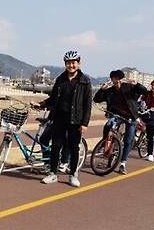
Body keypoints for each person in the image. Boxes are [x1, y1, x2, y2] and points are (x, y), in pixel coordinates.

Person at [31, 50, 92, 187]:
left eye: (73, 62)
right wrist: (40, 104)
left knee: (73, 147)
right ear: (65, 64)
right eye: (68, 63)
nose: (71, 65)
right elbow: (53, 99)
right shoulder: (60, 79)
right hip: (59, 118)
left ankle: (73, 175)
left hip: (75, 120)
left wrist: (85, 123)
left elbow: (87, 104)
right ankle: (52, 174)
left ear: (79, 63)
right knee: (56, 146)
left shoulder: (85, 81)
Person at [93, 69, 147, 174]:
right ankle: (105, 143)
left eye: (117, 79)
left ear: (120, 79)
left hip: (131, 116)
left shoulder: (129, 87)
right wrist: (102, 89)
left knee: (128, 140)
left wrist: (137, 85)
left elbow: (144, 91)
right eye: (114, 79)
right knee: (108, 124)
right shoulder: (110, 91)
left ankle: (123, 163)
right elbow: (96, 99)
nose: (116, 81)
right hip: (117, 115)